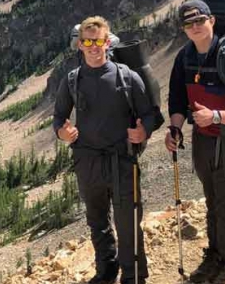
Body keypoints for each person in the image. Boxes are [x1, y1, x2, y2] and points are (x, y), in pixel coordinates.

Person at [54, 16, 158, 284]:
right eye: (87, 41)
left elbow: (151, 114)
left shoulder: (127, 76)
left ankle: (134, 277)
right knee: (97, 221)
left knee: (127, 222)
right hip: (87, 161)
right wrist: (62, 132)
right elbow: (58, 117)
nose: (93, 46)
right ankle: (106, 271)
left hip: (122, 159)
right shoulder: (72, 81)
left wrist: (143, 130)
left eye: (98, 40)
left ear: (107, 41)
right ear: (79, 44)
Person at [165, 0, 225, 284]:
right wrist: (175, 129)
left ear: (212, 21)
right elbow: (177, 99)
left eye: (200, 20)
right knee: (213, 201)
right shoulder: (184, 57)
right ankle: (215, 258)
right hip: (204, 140)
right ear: (183, 29)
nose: (195, 27)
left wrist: (217, 116)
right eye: (188, 23)